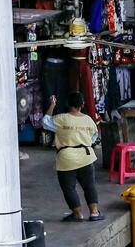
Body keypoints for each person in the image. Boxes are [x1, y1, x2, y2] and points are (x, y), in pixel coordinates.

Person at [42, 92, 103, 222]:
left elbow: (45, 122)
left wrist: (52, 105)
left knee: (69, 188)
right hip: (86, 156)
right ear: (82, 105)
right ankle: (94, 213)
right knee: (89, 186)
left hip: (66, 158)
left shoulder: (61, 119)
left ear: (68, 104)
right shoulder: (88, 120)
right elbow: (94, 137)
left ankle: (77, 214)